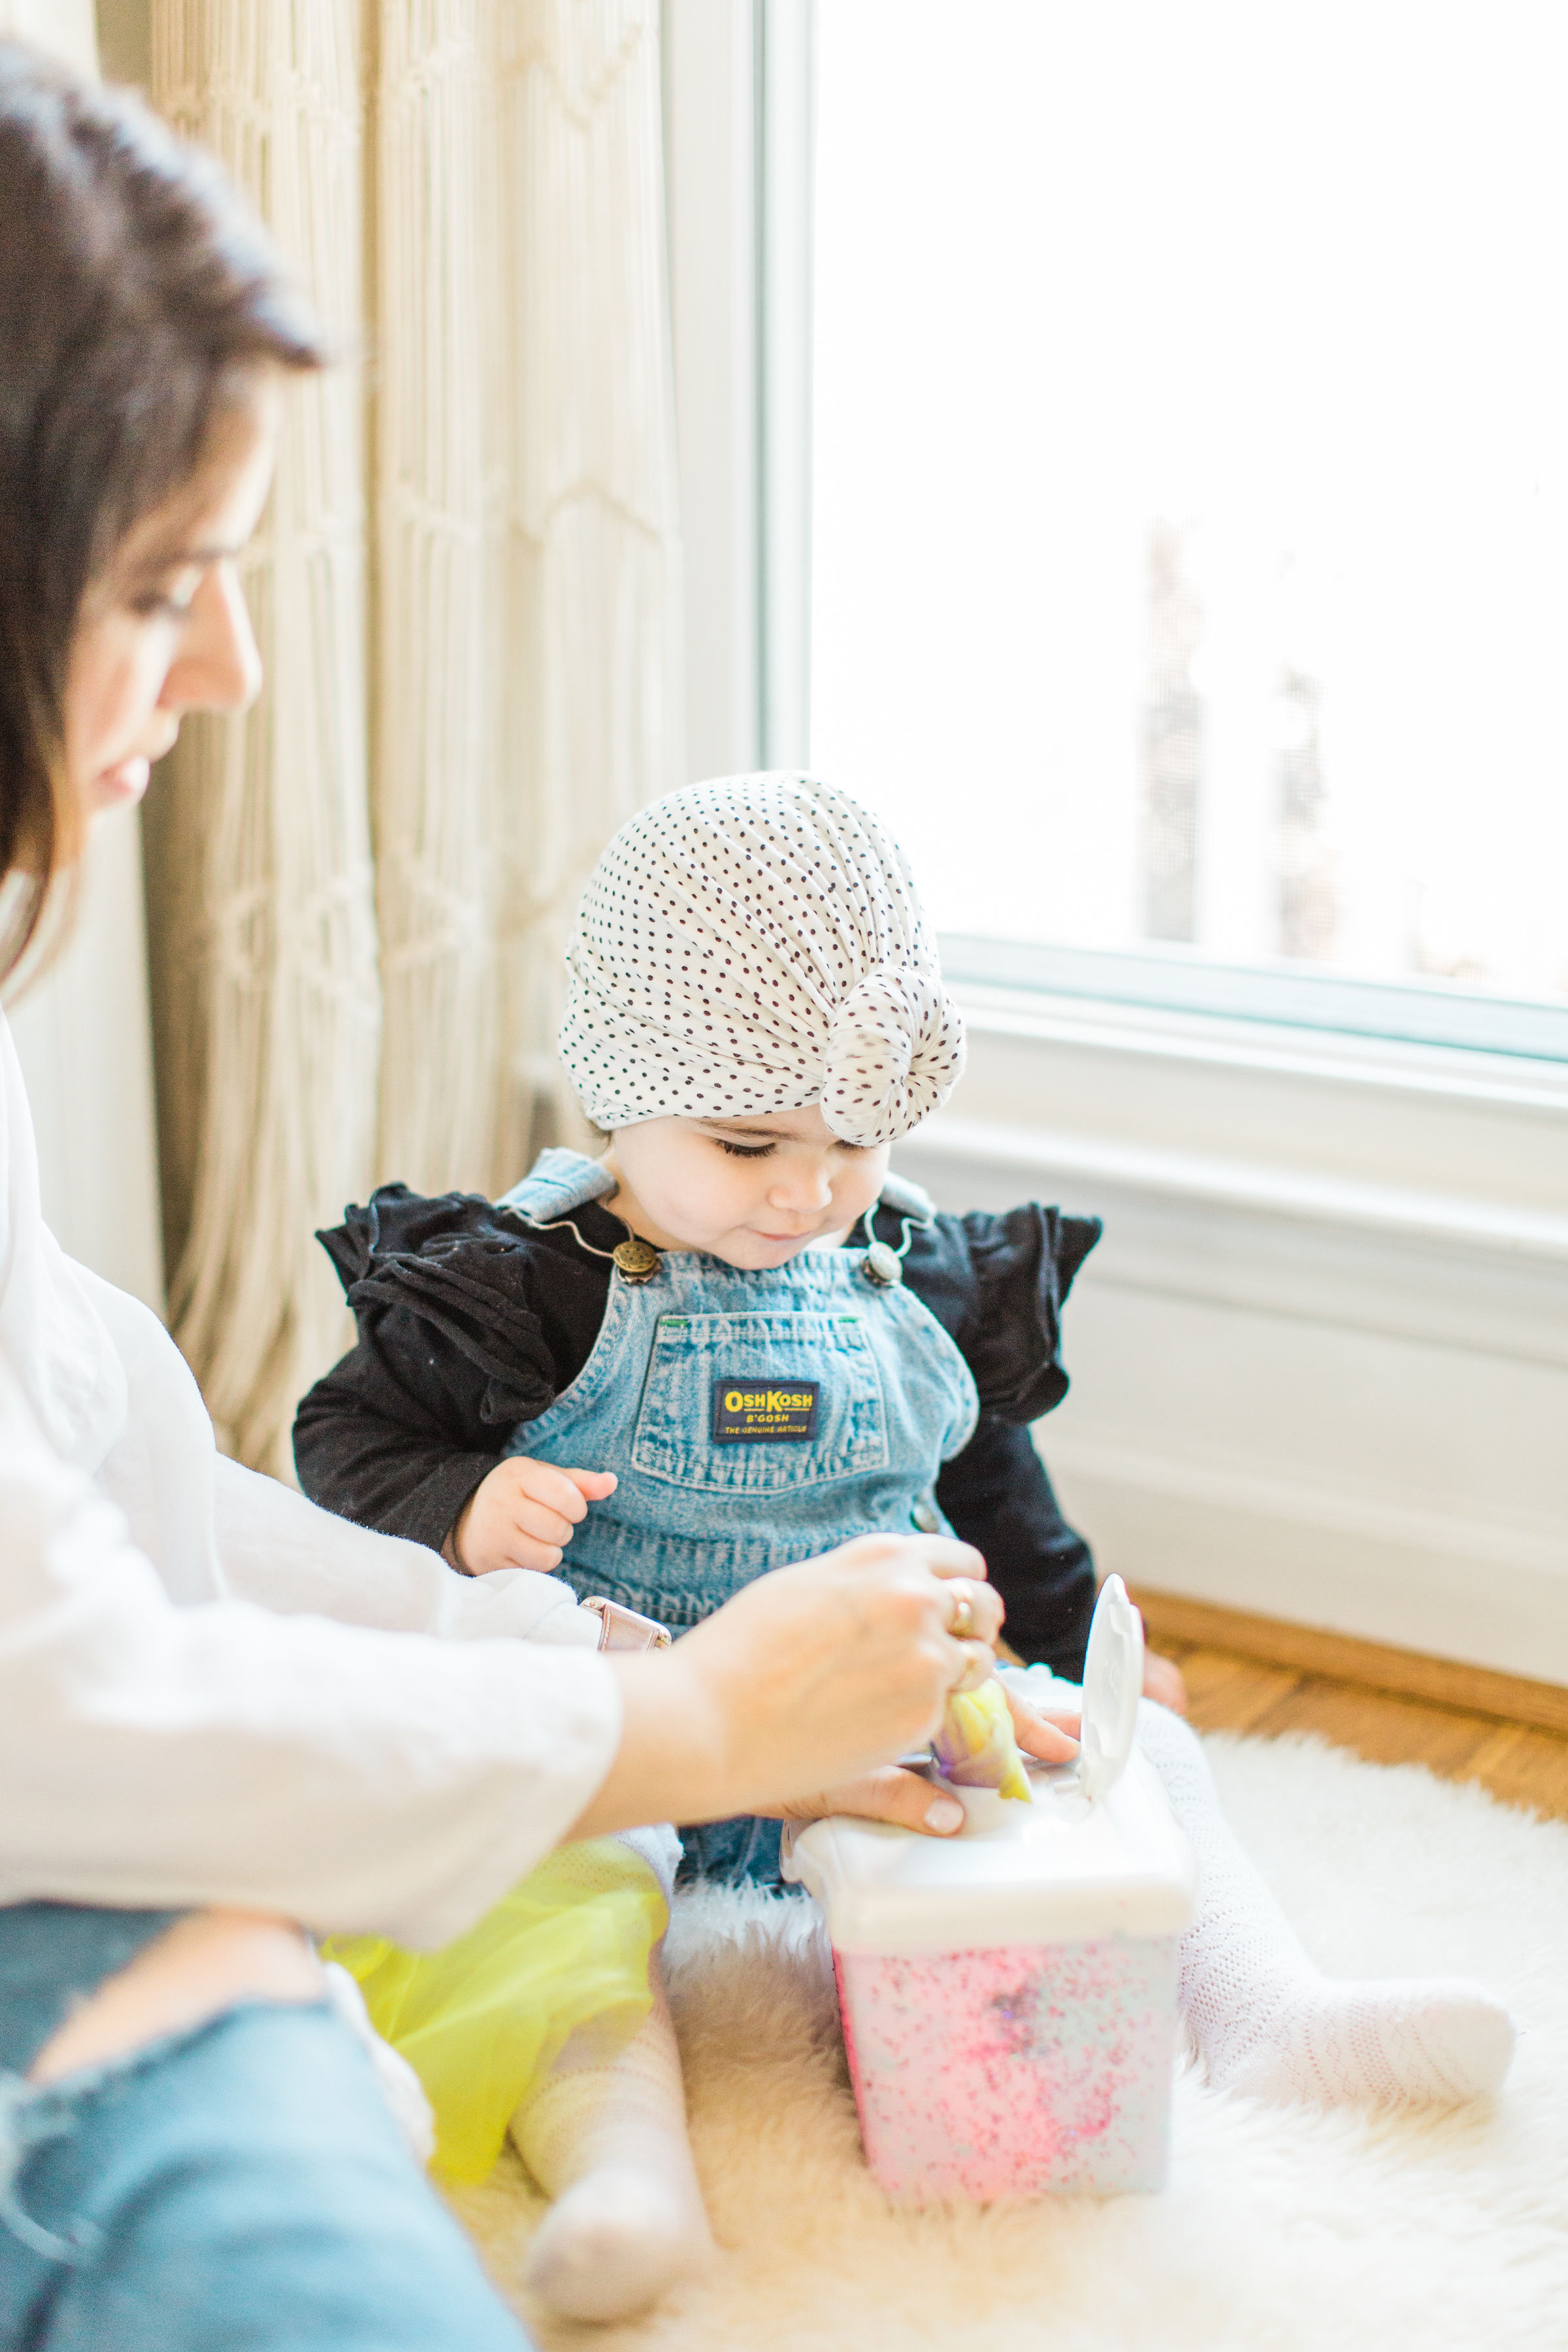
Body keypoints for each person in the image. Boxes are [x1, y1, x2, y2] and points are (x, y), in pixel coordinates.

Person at [0, 47, 1021, 2352]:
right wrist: (666, 1733)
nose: (237, 671)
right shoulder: (527, 1280)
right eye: (165, 588)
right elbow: (73, 1692)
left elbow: (96, 1476)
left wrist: (561, 1667)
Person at [295, 774, 1518, 2316]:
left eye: (853, 1141)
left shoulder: (901, 1266)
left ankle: (1268, 2011)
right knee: (553, 1904)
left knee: (1134, 1771)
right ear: (619, 1098)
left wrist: (1075, 1663)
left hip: (887, 1716)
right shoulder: (528, 1284)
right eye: (748, 1147)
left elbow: (997, 1489)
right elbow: (337, 1448)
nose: (807, 1191)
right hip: (636, 1731)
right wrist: (463, 1513)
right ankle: (627, 2163)